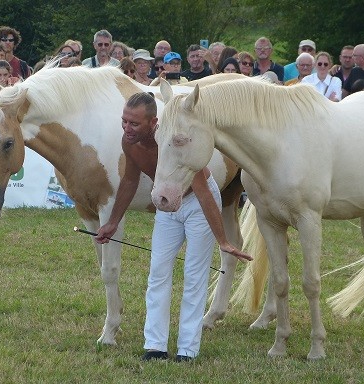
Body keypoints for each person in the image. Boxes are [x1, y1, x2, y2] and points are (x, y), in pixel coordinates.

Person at [94, 92, 252, 362]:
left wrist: (223, 241)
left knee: (194, 275)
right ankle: (155, 346)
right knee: (158, 272)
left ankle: (187, 349)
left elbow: (203, 191)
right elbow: (130, 181)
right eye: (124, 121)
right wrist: (112, 222)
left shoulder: (172, 141)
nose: (127, 129)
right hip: (167, 205)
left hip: (197, 204)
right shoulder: (128, 142)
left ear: (153, 123)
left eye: (134, 124)